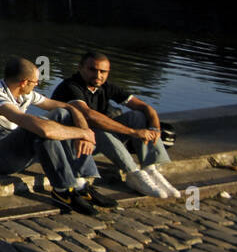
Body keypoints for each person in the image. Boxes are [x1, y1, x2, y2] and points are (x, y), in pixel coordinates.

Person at [0, 57, 117, 215]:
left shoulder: (23, 92)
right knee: (39, 130)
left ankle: (81, 185)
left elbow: (65, 106)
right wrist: (83, 133)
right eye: (35, 82)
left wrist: (81, 127)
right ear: (24, 83)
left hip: (14, 151)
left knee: (62, 114)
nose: (37, 85)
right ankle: (63, 191)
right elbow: (40, 128)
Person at [52, 52, 179, 198]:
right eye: (92, 70)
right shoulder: (70, 86)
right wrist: (132, 132)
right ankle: (132, 174)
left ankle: (150, 168)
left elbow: (145, 107)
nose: (98, 75)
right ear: (80, 68)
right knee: (99, 129)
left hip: (96, 141)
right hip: (74, 145)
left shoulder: (105, 87)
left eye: (103, 71)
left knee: (137, 116)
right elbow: (89, 115)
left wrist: (154, 128)